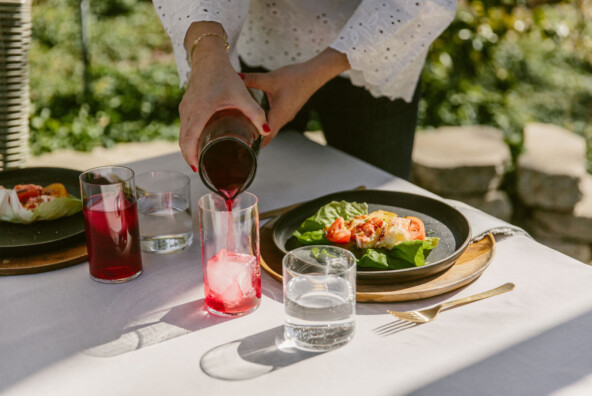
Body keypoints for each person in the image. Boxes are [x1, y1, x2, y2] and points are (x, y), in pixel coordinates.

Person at [152, 0, 457, 179]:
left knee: (380, 212)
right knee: (270, 202)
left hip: (377, 53)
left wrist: (318, 70)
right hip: (265, 49)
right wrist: (207, 53)